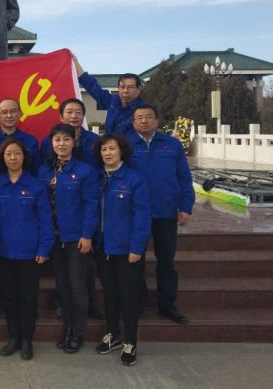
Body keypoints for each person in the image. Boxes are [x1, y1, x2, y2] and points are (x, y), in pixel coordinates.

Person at [128, 104, 195, 324]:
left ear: (157, 121)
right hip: (135, 213)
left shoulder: (172, 145)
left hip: (165, 211)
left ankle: (167, 304)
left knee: (166, 260)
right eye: (139, 117)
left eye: (148, 117)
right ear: (133, 122)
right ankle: (137, 303)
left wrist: (186, 206)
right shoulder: (125, 145)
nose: (144, 121)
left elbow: (184, 177)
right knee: (135, 260)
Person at [37, 124, 99, 354]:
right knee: (63, 286)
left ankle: (78, 332)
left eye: (66, 139)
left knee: (77, 286)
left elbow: (91, 206)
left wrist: (87, 235)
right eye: (57, 140)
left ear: (74, 142)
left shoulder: (85, 171)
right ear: (51, 143)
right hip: (52, 238)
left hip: (75, 238)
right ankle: (68, 329)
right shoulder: (44, 171)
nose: (61, 144)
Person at [91, 134, 151, 366]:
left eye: (112, 149)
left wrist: (136, 247)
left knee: (128, 295)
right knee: (110, 293)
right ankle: (113, 334)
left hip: (127, 249)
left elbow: (142, 217)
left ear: (121, 151)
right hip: (103, 247)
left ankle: (130, 342)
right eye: (104, 149)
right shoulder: (97, 178)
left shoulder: (135, 179)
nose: (107, 153)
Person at [0, 139, 54, 361]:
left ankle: (27, 339)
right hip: (3, 252)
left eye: (17, 153)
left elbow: (45, 219)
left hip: (30, 253)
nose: (13, 158)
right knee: (9, 298)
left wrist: (44, 248)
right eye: (8, 154)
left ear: (24, 157)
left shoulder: (36, 185)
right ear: (3, 158)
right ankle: (14, 337)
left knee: (28, 298)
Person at [0, 97, 40, 319]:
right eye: (4, 112)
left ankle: (20, 305)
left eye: (13, 111)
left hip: (21, 201)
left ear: (20, 114)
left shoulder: (31, 142)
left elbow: (34, 171)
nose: (9, 115)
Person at [73, 57, 145, 136]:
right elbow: (92, 86)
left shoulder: (143, 111)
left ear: (139, 89)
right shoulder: (113, 101)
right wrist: (75, 63)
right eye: (122, 87)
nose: (125, 90)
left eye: (130, 87)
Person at [39, 98, 101, 169]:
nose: (74, 116)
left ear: (83, 117)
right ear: (61, 117)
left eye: (78, 112)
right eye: (69, 112)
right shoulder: (48, 141)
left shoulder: (95, 140)